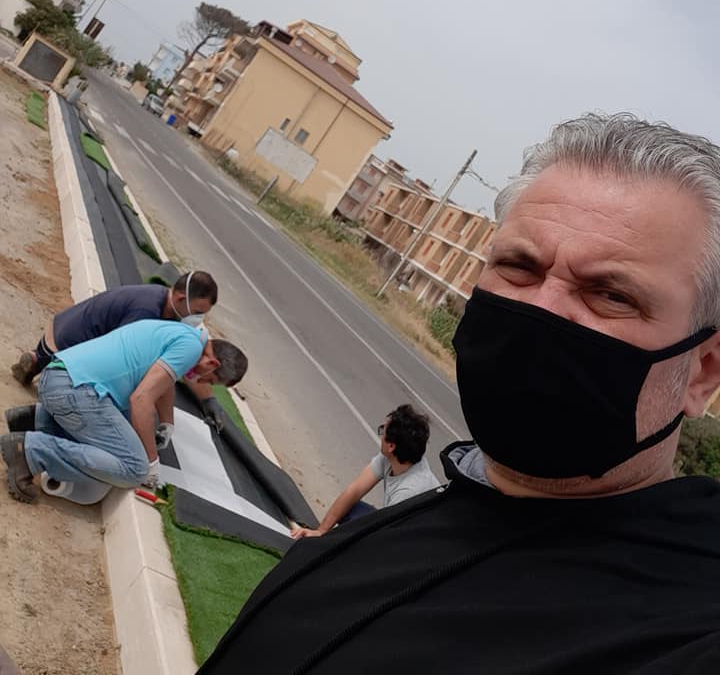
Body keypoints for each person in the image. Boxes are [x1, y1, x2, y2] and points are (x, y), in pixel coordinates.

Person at [195, 113, 720, 674]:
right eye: (518, 266)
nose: (540, 309)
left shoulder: (687, 630)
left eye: (611, 295)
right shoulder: (404, 522)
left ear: (703, 373)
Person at [0, 318, 248, 505]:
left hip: (63, 377)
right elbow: (141, 399)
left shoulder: (185, 335)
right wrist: (151, 462)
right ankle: (30, 451)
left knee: (131, 435)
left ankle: (38, 420)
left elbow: (165, 383)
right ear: (212, 363)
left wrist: (167, 423)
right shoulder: (190, 349)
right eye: (210, 380)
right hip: (75, 391)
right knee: (133, 468)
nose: (203, 383)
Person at [11, 270, 227, 430]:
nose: (198, 319)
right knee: (120, 414)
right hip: (64, 349)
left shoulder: (165, 302)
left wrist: (207, 398)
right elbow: (124, 359)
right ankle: (42, 396)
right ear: (181, 298)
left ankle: (37, 359)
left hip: (60, 330)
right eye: (197, 312)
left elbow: (186, 361)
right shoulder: (146, 311)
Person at [292, 404, 440, 539]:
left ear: (391, 446)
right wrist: (321, 531)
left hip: (411, 545)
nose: (381, 436)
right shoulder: (396, 457)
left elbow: (387, 540)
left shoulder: (409, 492)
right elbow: (354, 491)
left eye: (383, 431)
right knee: (350, 508)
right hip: (393, 527)